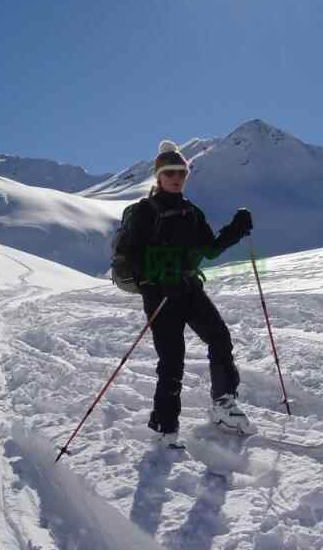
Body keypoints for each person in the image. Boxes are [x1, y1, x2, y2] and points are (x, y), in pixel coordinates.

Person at [122, 140, 254, 447]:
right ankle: (164, 427)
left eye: (181, 172)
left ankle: (224, 404)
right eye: (170, 173)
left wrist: (236, 229)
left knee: (220, 337)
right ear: (158, 176)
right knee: (172, 360)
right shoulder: (145, 211)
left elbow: (209, 249)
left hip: (188, 287)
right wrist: (154, 281)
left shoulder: (191, 211)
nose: (176, 178)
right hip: (160, 295)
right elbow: (131, 256)